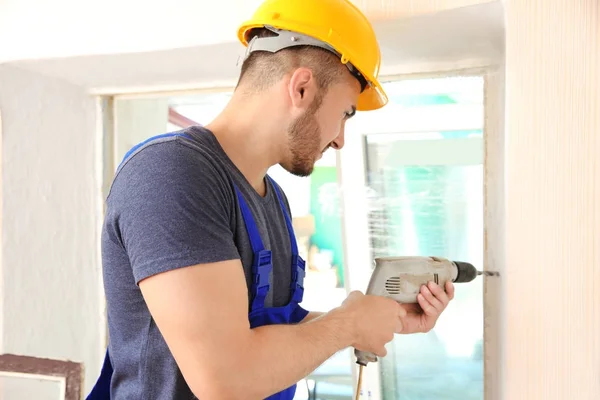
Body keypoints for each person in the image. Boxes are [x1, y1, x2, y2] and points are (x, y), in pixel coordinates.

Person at [87, 0, 455, 399]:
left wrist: (380, 319)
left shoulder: (272, 198)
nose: (340, 139)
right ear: (301, 88)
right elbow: (224, 380)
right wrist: (347, 324)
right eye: (346, 113)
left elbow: (270, 332)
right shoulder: (170, 173)